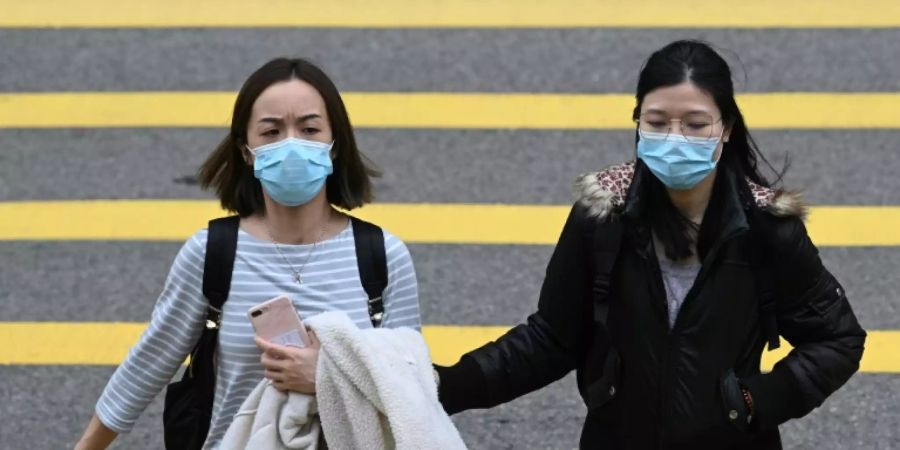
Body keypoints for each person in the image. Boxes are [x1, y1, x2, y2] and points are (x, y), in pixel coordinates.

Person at [434, 40, 866, 449]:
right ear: (638, 123)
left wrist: (754, 402)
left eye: (695, 124)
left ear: (727, 128)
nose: (674, 138)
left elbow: (837, 340)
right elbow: (552, 338)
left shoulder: (766, 229)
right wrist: (446, 387)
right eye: (657, 122)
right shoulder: (603, 218)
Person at [75, 58, 421, 449]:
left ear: (334, 145)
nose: (291, 145)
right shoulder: (211, 254)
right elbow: (148, 365)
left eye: (309, 129)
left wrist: (324, 376)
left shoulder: (382, 256)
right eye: (271, 132)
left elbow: (410, 386)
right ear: (246, 151)